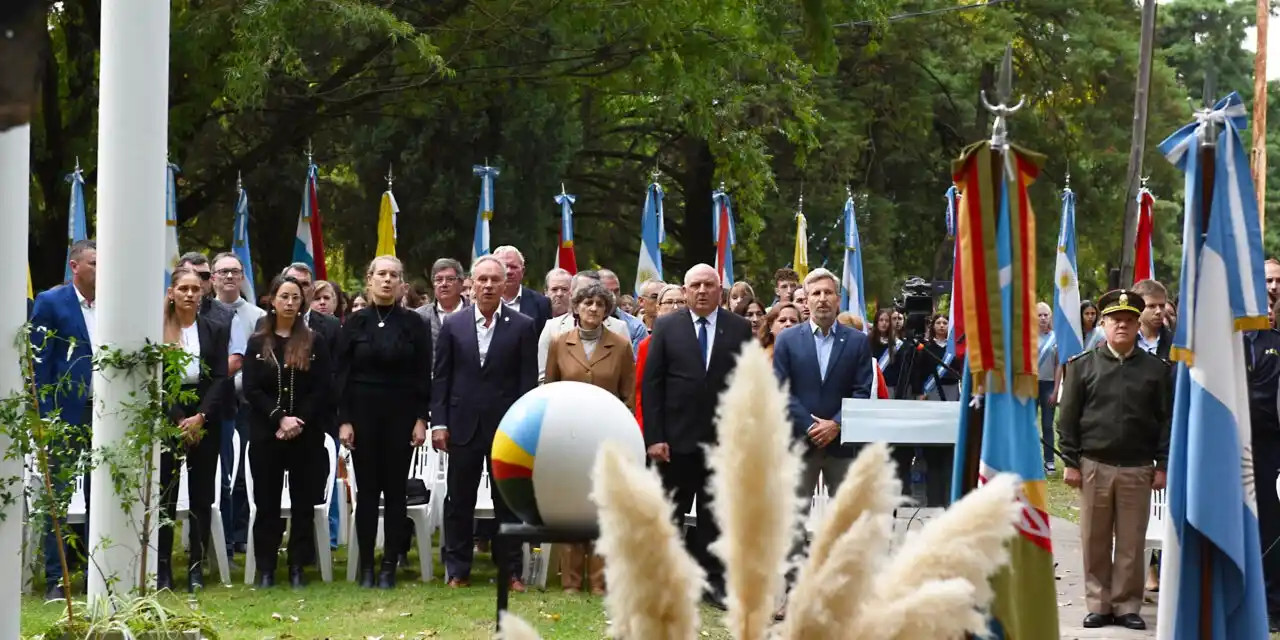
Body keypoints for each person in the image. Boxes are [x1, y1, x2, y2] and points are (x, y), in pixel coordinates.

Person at [1057, 289, 1171, 631]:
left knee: (1132, 541)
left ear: (1138, 325)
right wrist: (1071, 462)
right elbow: (1068, 418)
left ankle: (1126, 606)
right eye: (1115, 320)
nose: (1121, 325)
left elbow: (1166, 420)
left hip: (1138, 467)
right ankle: (1098, 603)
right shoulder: (1082, 366)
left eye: (1128, 320)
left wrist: (1162, 465)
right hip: (1094, 465)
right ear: (1103, 324)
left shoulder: (1156, 370)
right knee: (1094, 538)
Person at [642, 263, 754, 609]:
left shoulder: (739, 328)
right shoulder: (666, 326)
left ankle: (714, 584)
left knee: (715, 519)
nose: (702, 291)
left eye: (709, 285)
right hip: (673, 442)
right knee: (668, 517)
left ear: (720, 290)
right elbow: (653, 385)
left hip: (721, 443)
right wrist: (655, 437)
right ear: (686, 290)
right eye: (695, 286)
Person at [432, 256, 538, 591]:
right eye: (482, 280)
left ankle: (511, 571)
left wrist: (524, 429)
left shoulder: (522, 325)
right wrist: (439, 423)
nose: (489, 285)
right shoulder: (454, 324)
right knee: (458, 501)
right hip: (462, 426)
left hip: (506, 428)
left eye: (496, 279)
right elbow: (442, 378)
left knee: (507, 501)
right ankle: (457, 569)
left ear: (506, 283)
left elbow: (527, 384)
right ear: (471, 284)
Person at [772, 269, 873, 617]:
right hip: (799, 442)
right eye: (815, 294)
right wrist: (811, 426)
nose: (822, 299)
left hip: (842, 445)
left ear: (838, 299)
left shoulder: (858, 342)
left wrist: (837, 425)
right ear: (806, 300)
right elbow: (781, 390)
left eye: (828, 293)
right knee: (792, 521)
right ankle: (792, 592)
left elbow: (862, 392)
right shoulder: (788, 340)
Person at [336, 256, 431, 588]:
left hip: (401, 416)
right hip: (362, 416)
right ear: (370, 279)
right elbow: (342, 376)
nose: (387, 280)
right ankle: (366, 567)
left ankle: (389, 565)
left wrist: (421, 419)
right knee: (366, 492)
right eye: (381, 274)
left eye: (394, 275)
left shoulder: (414, 325)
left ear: (402, 284)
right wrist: (344, 420)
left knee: (394, 493)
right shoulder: (354, 323)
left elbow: (423, 375)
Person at [544, 283, 635, 594]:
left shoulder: (621, 346)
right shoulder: (559, 343)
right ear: (576, 308)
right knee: (572, 508)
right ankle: (570, 580)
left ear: (607, 310)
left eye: (599, 304)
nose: (593, 308)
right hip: (568, 440)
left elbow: (628, 396)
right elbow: (549, 391)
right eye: (587, 303)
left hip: (606, 439)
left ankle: (599, 581)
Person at [242, 275, 332, 588]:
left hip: (305, 435)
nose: (290, 303)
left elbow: (322, 388)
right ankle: (266, 567)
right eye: (284, 297)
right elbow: (251, 389)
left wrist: (298, 420)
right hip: (267, 434)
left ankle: (298, 566)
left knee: (303, 503)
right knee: (266, 503)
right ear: (272, 300)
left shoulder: (314, 340)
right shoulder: (257, 342)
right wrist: (279, 418)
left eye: (295, 297)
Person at [30, 239, 96, 599]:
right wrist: (44, 417)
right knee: (59, 497)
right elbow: (39, 364)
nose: (102, 271)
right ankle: (58, 578)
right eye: (95, 263)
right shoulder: (51, 302)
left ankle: (95, 573)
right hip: (64, 415)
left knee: (100, 495)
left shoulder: (115, 302)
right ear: (75, 267)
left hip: (105, 414)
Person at [157, 267, 230, 592]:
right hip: (168, 416)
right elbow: (155, 379)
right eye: (183, 288)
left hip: (204, 418)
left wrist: (200, 417)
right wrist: (177, 419)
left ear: (202, 293)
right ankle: (162, 569)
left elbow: (219, 377)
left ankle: (196, 567)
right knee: (165, 495)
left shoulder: (214, 328)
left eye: (195, 289)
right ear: (171, 293)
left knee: (202, 494)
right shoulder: (157, 328)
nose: (189, 294)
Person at [210, 252, 267, 558]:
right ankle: (218, 540)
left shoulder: (257, 316)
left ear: (243, 277)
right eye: (223, 272)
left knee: (245, 471)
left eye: (235, 272)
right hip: (214, 403)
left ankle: (241, 533)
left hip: (247, 403)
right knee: (221, 471)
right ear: (213, 278)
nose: (229, 277)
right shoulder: (203, 312)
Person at [1248, 295, 1280, 629]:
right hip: (1232, 450)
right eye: (1262, 304)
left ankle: (1272, 604)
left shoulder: (1276, 344)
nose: (1268, 311)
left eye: (1271, 305)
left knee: (1270, 527)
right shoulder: (1227, 345)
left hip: (1270, 448)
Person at [538, 270, 630, 382]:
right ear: (572, 295)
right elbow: (545, 379)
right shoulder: (552, 328)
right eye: (585, 294)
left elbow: (628, 381)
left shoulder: (619, 328)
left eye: (595, 291)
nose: (593, 308)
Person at [635, 284, 685, 432]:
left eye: (681, 302)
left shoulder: (698, 340)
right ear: (658, 308)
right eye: (669, 302)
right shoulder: (647, 345)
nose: (675, 307)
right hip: (658, 423)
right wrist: (643, 427)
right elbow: (640, 391)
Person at [414, 258, 467, 368]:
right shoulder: (419, 316)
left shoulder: (476, 313)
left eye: (450, 279)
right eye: (438, 279)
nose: (444, 284)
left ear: (461, 283)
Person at [493, 245, 552, 335]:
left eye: (514, 267)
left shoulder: (541, 303)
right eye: (504, 266)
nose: (509, 271)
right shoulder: (484, 301)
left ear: (522, 271)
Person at [912, 314, 959, 400]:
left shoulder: (954, 347)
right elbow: (918, 371)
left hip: (952, 387)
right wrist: (919, 392)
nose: (942, 325)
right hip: (932, 388)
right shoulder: (925, 347)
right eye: (938, 323)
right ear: (933, 326)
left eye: (945, 323)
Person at [1036, 302, 1058, 472]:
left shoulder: (1056, 337)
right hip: (1030, 385)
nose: (1043, 318)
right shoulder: (1027, 337)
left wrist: (1057, 389)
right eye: (1039, 315)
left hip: (1049, 384)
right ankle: (1030, 459)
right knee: (1028, 423)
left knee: (1047, 424)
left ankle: (1049, 460)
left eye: (1046, 315)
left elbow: (1059, 365)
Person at [1132, 279, 1171, 360]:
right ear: (1137, 307)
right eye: (1151, 306)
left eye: (1162, 306)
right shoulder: (1124, 339)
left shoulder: (1175, 343)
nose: (1158, 311)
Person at [868, 308, 903, 397]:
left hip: (889, 387)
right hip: (871, 386)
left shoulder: (897, 344)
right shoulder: (868, 341)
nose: (884, 323)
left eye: (887, 321)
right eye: (881, 320)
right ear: (876, 322)